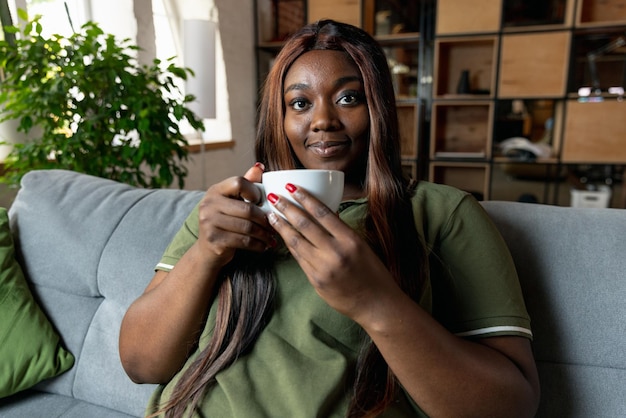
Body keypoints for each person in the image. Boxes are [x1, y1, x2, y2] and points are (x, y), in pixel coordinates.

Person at [119, 19, 540, 418]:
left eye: (348, 98)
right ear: (280, 119)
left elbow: (512, 405)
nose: (322, 120)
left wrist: (375, 301)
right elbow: (141, 364)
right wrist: (205, 252)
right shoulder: (230, 208)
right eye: (300, 103)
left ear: (379, 107)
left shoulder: (440, 213)